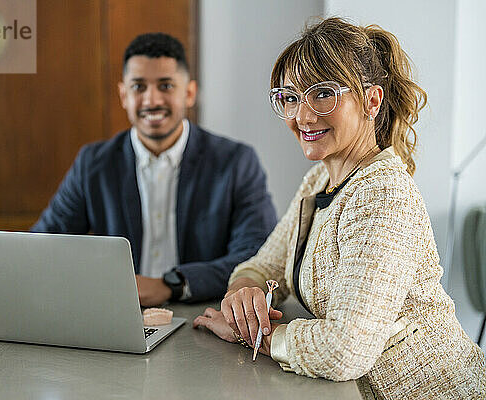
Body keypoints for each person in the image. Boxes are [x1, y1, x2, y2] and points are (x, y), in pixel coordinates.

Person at [193, 17, 486, 399]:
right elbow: (265, 265)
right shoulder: (319, 180)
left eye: (322, 93)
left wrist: (254, 335)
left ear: (371, 100)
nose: (303, 115)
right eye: (290, 97)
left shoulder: (383, 194)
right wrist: (244, 294)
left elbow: (344, 350)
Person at [32, 33, 277, 306]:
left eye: (166, 85)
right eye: (138, 87)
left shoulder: (236, 162)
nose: (151, 100)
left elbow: (259, 256)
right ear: (123, 95)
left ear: (189, 93)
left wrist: (173, 284)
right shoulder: (93, 163)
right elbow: (45, 245)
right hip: (119, 312)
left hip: (204, 312)